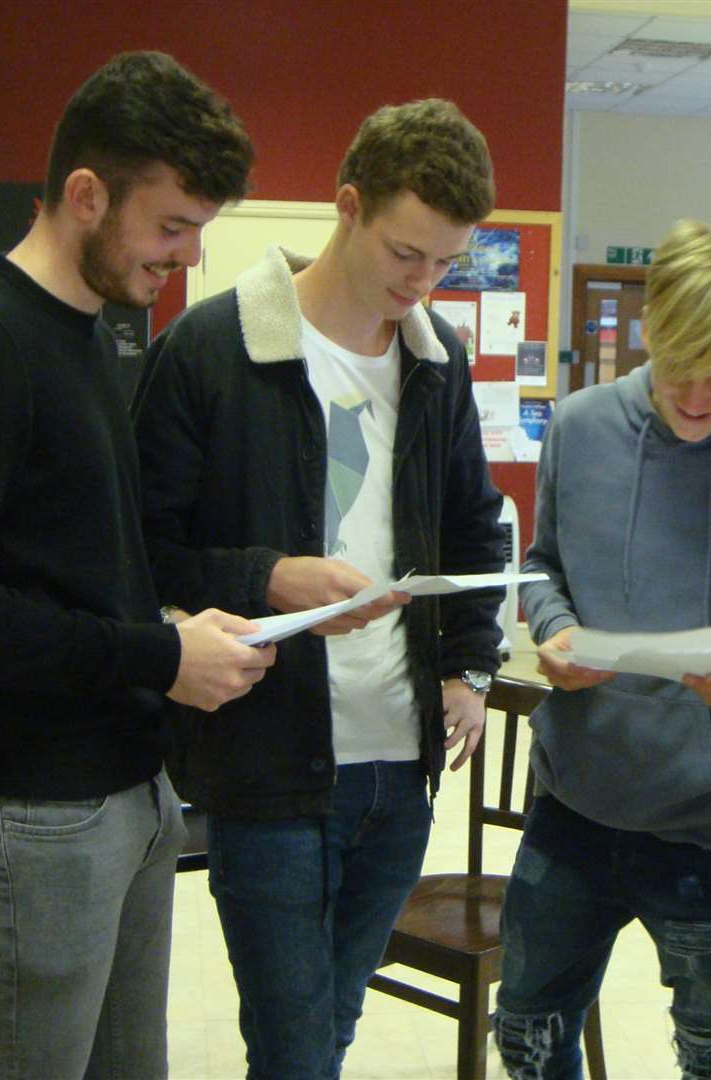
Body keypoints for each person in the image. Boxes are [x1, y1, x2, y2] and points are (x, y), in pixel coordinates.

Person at [0, 51, 266, 1078]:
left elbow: (92, 564)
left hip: (126, 794)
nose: (181, 258)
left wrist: (210, 615)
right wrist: (154, 656)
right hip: (29, 813)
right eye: (170, 225)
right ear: (88, 195)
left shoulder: (93, 335)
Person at [130, 98, 506, 1079]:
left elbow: (472, 523)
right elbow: (142, 552)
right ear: (347, 207)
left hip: (400, 761)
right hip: (269, 763)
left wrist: (467, 662)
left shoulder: (436, 362)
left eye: (445, 263)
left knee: (326, 1030)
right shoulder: (209, 351)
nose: (423, 284)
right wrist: (269, 576)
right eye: (405, 254)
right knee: (297, 1048)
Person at [492, 220, 711, 1078]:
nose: (692, 398)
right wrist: (551, 627)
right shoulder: (578, 426)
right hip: (574, 797)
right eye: (676, 370)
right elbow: (542, 569)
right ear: (649, 334)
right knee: (527, 1035)